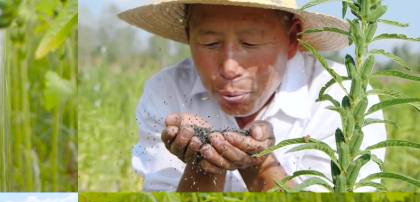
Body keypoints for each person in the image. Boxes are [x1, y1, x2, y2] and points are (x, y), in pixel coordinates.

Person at [120, 0, 386, 192]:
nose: (229, 68)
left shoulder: (345, 98)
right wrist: (201, 165)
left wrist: (259, 163)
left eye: (250, 44)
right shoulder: (165, 93)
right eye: (210, 44)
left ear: (292, 38)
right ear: (189, 36)